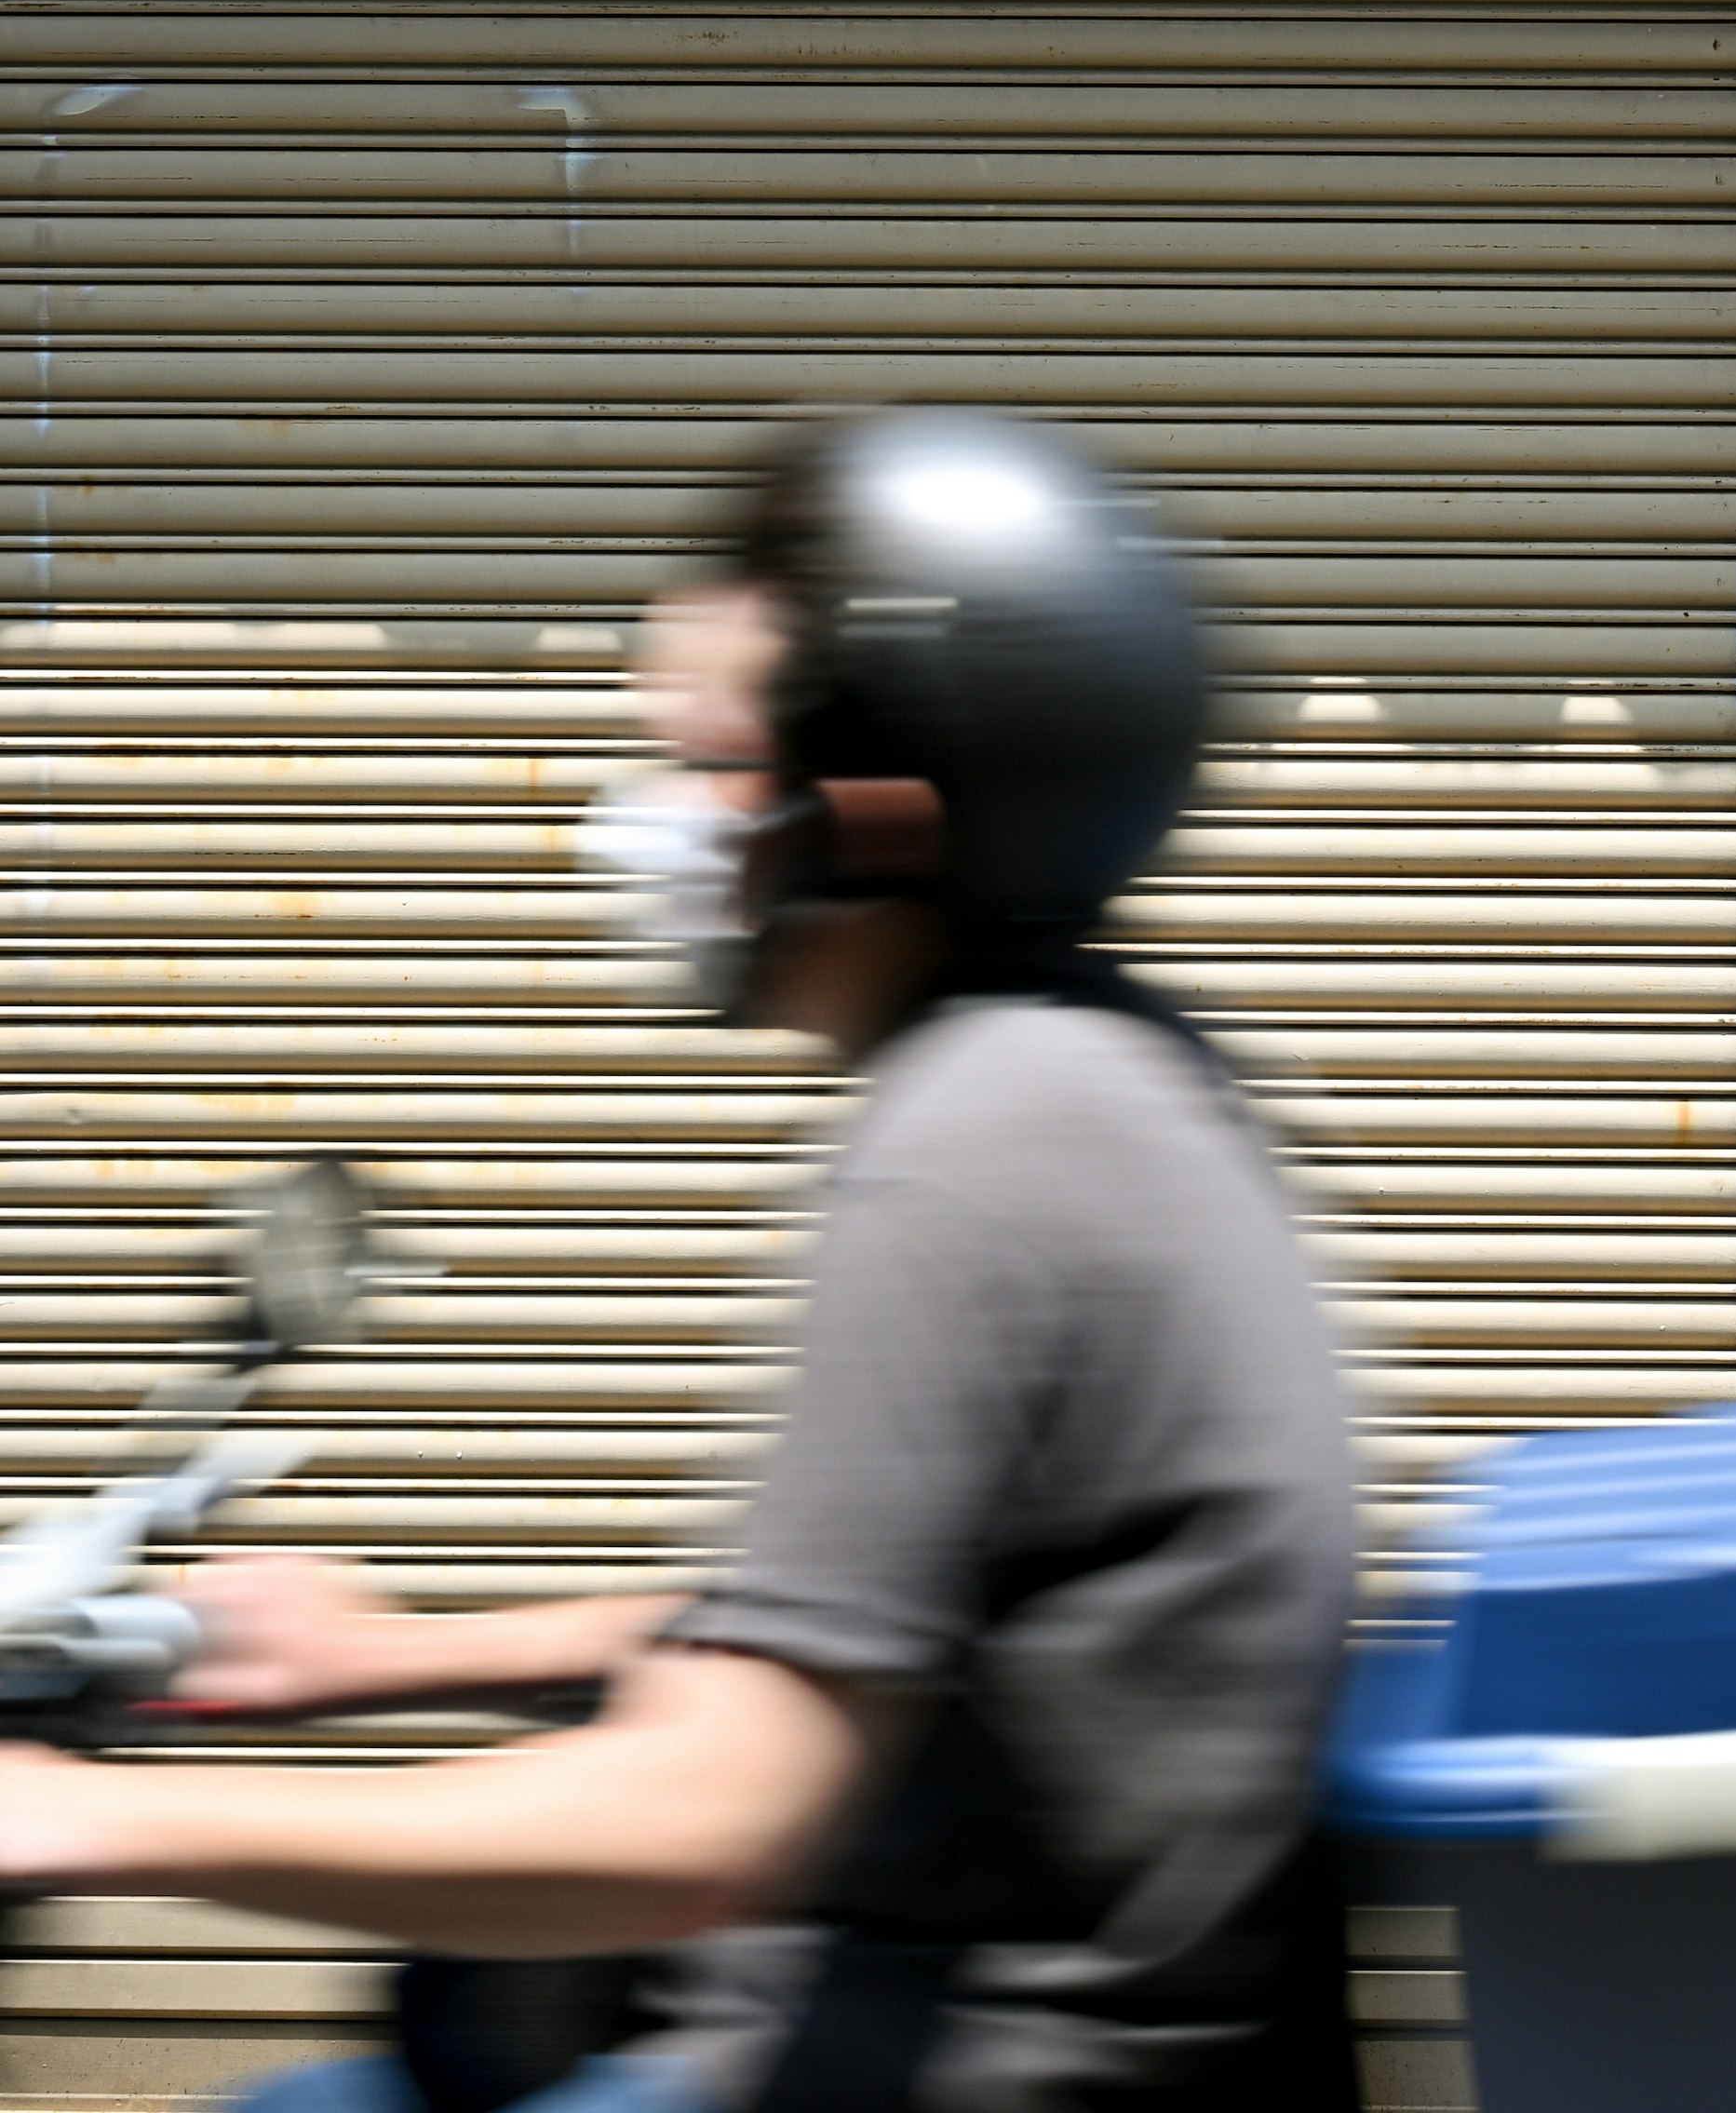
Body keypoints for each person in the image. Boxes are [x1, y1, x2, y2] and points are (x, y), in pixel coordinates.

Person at [0, 410, 1361, 2113]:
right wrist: (403, 1656)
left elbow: (703, 1825)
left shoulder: (972, 1153)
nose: (646, 816)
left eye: (708, 756)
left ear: (865, 812)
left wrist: (87, 1817)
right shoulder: (1112, 1072)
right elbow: (903, 1620)